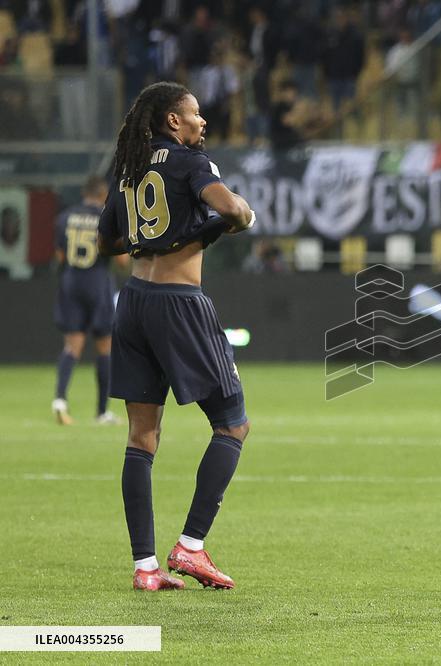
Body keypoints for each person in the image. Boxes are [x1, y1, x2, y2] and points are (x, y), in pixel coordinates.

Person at [97, 82, 255, 592]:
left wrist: (159, 239)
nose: (203, 122)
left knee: (141, 438)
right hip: (178, 306)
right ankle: (189, 548)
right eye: (196, 113)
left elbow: (108, 241)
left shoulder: (129, 170)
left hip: (133, 304)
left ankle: (145, 568)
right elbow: (230, 210)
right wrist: (235, 218)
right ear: (173, 121)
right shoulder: (192, 165)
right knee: (232, 425)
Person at [52, 175, 127, 425]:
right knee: (104, 347)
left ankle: (60, 400)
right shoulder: (105, 217)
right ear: (103, 193)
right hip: (98, 282)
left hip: (71, 281)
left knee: (72, 346)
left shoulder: (65, 217)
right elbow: (121, 261)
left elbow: (60, 256)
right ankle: (102, 412)